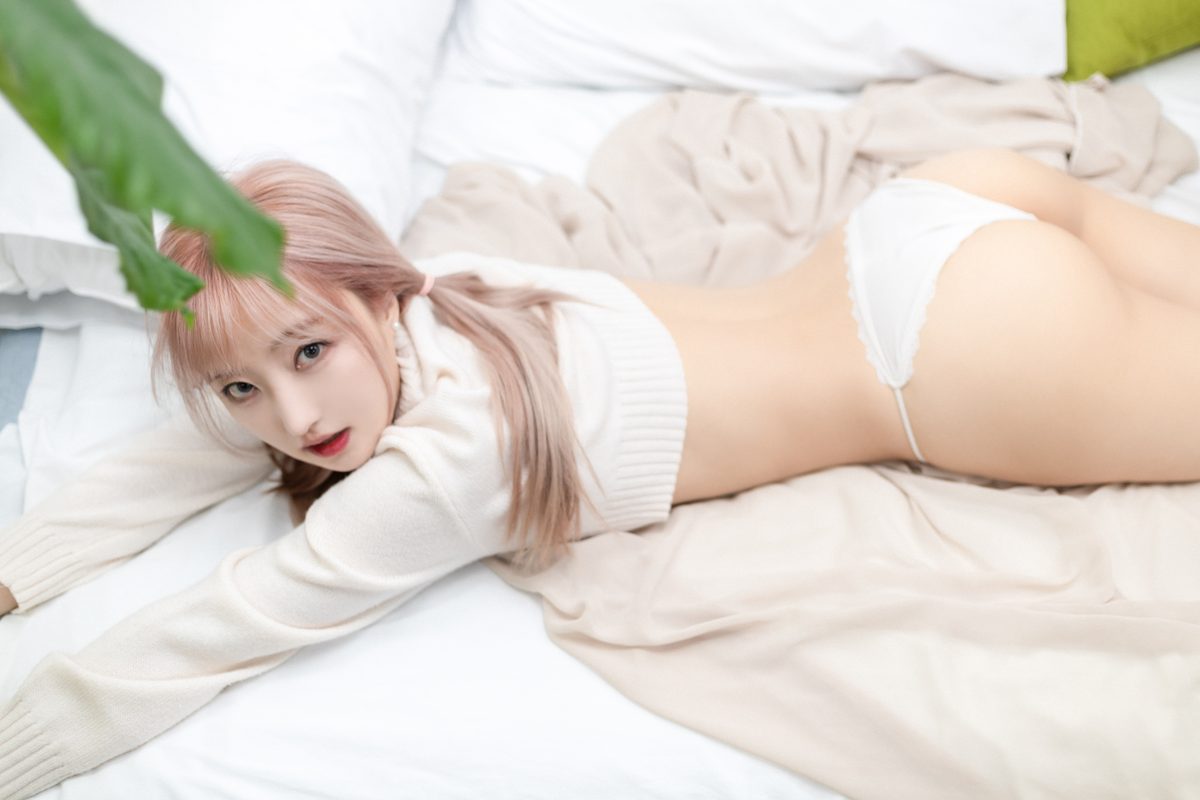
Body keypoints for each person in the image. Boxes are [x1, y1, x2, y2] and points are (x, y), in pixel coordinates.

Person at [2, 145, 1199, 798]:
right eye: (243, 388)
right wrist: (18, 566)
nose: (294, 415)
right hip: (931, 207)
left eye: (309, 353)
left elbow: (232, 621)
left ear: (368, 289)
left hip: (954, 358)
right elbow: (197, 444)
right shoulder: (448, 286)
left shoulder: (450, 463)